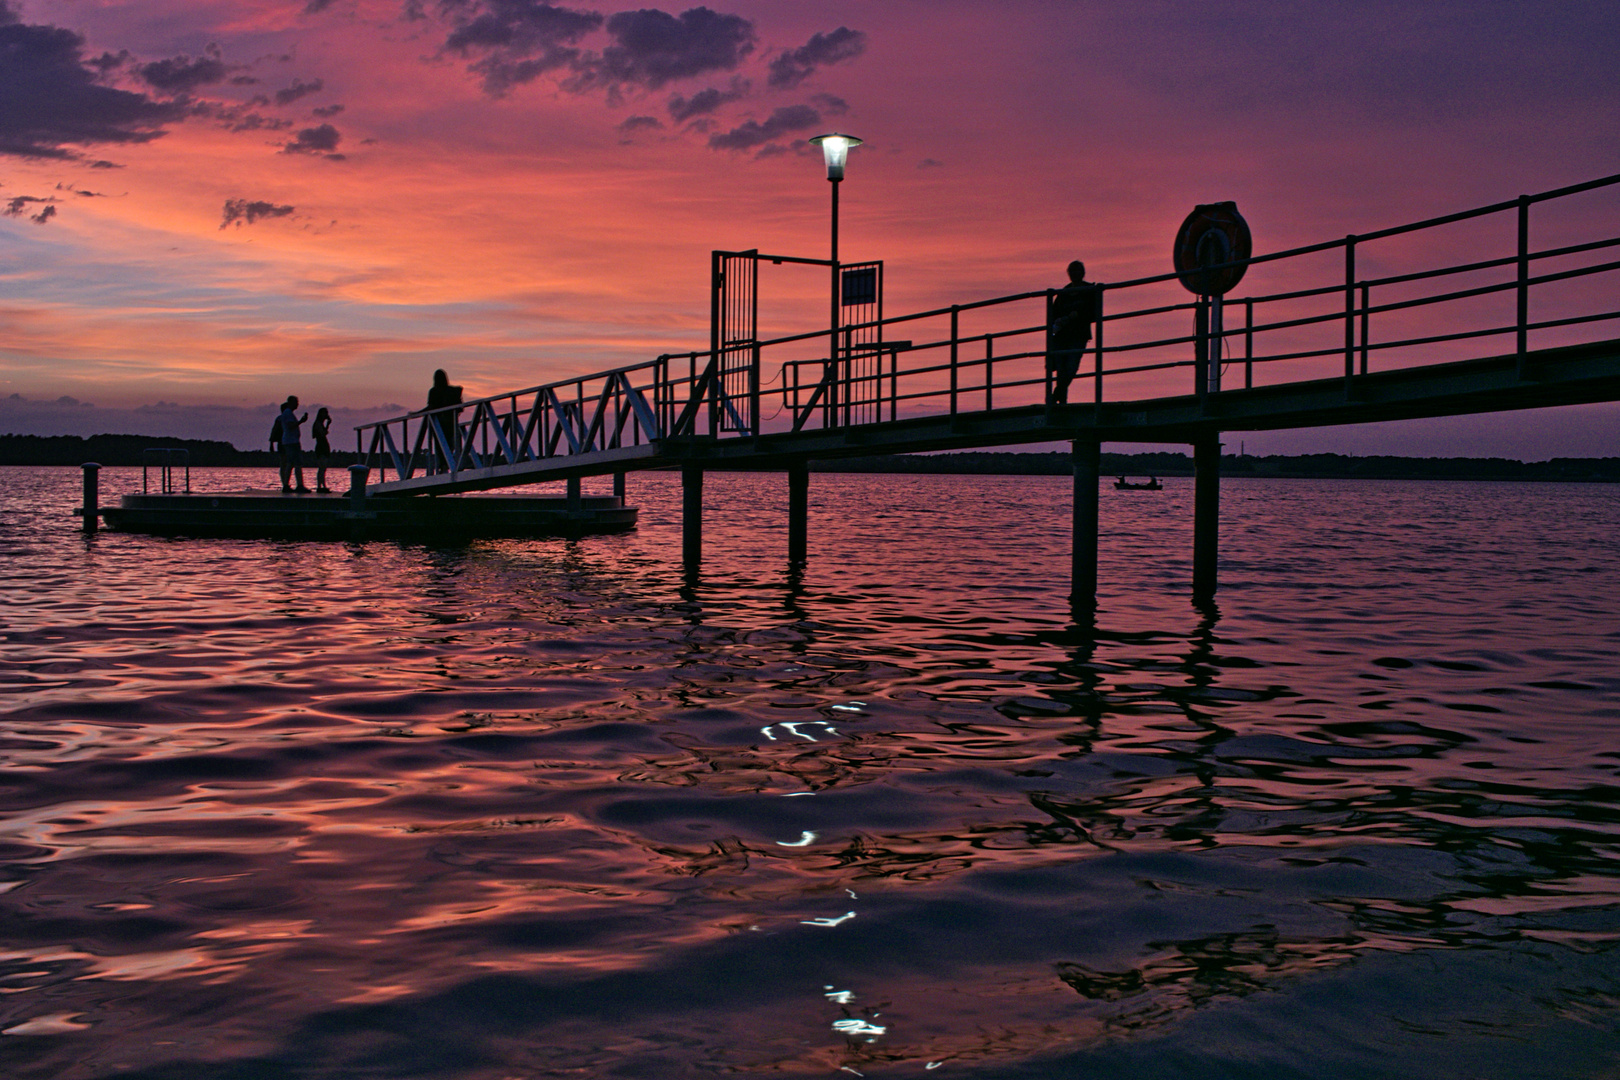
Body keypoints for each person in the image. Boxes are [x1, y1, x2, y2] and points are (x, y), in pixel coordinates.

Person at [1047, 260, 1100, 404]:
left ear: (1083, 273)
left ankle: (1056, 396)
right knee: (1061, 369)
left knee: (1071, 367)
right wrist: (1059, 322)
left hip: (1078, 334)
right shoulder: (1063, 293)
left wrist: (1078, 315)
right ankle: (1061, 400)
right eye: (1072, 271)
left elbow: (1094, 312)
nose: (1075, 274)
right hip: (1062, 336)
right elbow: (1053, 314)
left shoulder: (1089, 290)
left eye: (1078, 271)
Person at [426, 369, 463, 472]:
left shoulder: (434, 391)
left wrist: (416, 413)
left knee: (440, 445)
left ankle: (443, 465)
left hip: (439, 423)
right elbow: (460, 407)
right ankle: (448, 464)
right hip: (450, 422)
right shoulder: (451, 391)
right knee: (449, 444)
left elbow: (430, 407)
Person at [275, 396, 310, 493]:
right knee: (297, 463)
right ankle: (299, 485)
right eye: (296, 402)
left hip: (290, 441)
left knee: (290, 464)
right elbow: (290, 426)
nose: (298, 404)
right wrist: (301, 421)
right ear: (291, 402)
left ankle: (286, 484)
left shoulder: (288, 413)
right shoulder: (288, 413)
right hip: (292, 442)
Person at [311, 407, 333, 493]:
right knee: (322, 467)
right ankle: (320, 486)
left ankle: (322, 485)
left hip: (323, 446)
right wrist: (327, 425)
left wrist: (327, 425)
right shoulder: (317, 424)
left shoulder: (320, 424)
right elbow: (322, 434)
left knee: (323, 468)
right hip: (321, 447)